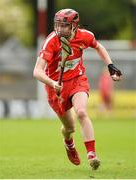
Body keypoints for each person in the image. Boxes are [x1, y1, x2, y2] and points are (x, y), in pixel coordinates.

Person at [33, 8, 122, 170]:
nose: (60, 29)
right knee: (69, 128)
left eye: (64, 26)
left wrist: (110, 65)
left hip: (77, 80)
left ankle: (92, 154)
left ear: (74, 26)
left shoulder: (84, 36)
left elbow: (98, 47)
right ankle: (69, 143)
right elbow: (37, 71)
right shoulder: (52, 40)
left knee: (81, 112)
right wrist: (53, 83)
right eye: (58, 25)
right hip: (56, 87)